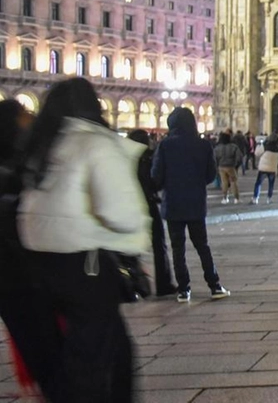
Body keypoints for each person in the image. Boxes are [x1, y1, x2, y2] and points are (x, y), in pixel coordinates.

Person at [17, 78, 149, 401]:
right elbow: (123, 214)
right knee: (97, 358)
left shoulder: (44, 144)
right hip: (85, 265)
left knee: (84, 351)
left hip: (40, 265)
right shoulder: (96, 143)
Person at [0, 99, 61, 399]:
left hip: (26, 268)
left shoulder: (27, 158)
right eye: (24, 116)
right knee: (42, 345)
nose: (30, 120)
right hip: (22, 268)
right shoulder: (21, 163)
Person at [153, 107, 231, 302]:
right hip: (195, 204)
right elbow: (211, 175)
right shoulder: (203, 145)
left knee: (178, 249)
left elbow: (156, 176)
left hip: (173, 205)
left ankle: (183, 290)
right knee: (202, 246)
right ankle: (214, 286)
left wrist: (168, 184)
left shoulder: (165, 146)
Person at [127, 129, 177, 297]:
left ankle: (132, 284)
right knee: (159, 244)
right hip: (147, 203)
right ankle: (163, 284)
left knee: (130, 247)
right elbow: (155, 180)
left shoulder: (123, 158)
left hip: (130, 204)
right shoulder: (148, 156)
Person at [213, 131, 241, 204]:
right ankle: (236, 198)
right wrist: (236, 164)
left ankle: (225, 198)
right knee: (233, 182)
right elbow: (239, 157)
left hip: (221, 166)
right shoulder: (234, 147)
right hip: (231, 166)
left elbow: (214, 158)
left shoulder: (218, 147)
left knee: (224, 182)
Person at [253, 132, 278, 204]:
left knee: (258, 183)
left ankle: (255, 198)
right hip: (272, 168)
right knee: (271, 184)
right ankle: (269, 198)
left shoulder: (265, 146)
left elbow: (257, 153)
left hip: (263, 168)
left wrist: (259, 145)